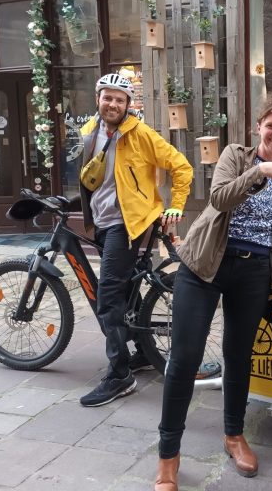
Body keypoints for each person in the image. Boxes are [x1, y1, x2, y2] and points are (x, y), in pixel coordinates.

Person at [154, 94, 272, 490]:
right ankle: (169, 457)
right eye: (271, 124)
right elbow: (219, 198)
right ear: (259, 127)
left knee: (239, 357)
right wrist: (260, 172)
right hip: (204, 265)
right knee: (184, 359)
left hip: (252, 272)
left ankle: (234, 436)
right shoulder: (237, 157)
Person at [78, 73, 194, 407]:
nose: (113, 104)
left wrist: (175, 206)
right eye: (107, 97)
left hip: (130, 224)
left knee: (108, 296)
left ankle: (119, 375)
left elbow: (182, 167)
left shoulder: (141, 134)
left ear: (128, 105)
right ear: (98, 99)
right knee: (128, 288)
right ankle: (143, 350)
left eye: (120, 99)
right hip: (103, 221)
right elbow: (95, 179)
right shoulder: (90, 132)